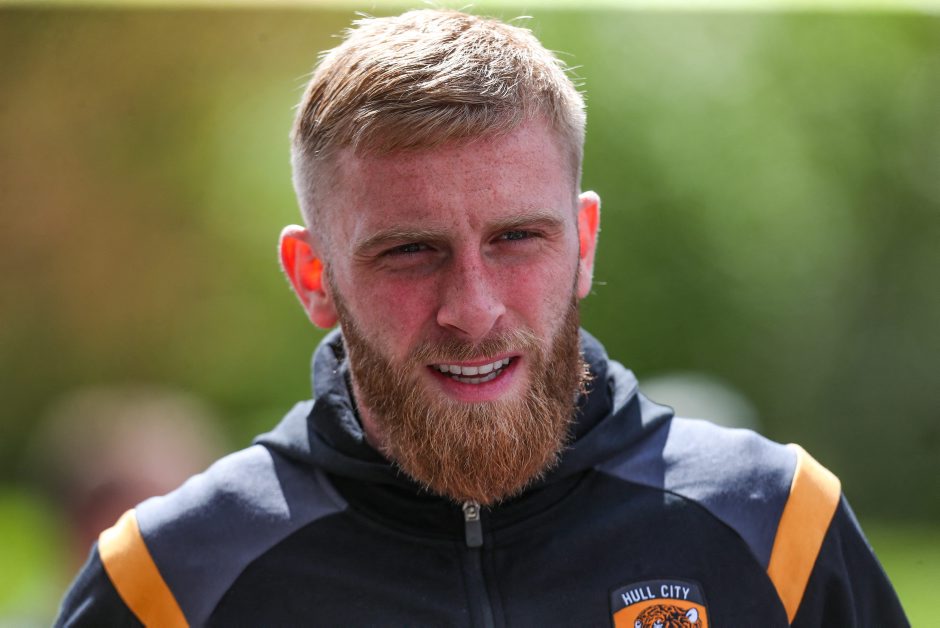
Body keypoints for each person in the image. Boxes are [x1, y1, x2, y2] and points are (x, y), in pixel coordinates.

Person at [55, 9, 907, 627]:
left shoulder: (778, 528)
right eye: (409, 251)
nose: (472, 308)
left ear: (583, 243)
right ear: (314, 277)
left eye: (516, 238)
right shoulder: (168, 585)